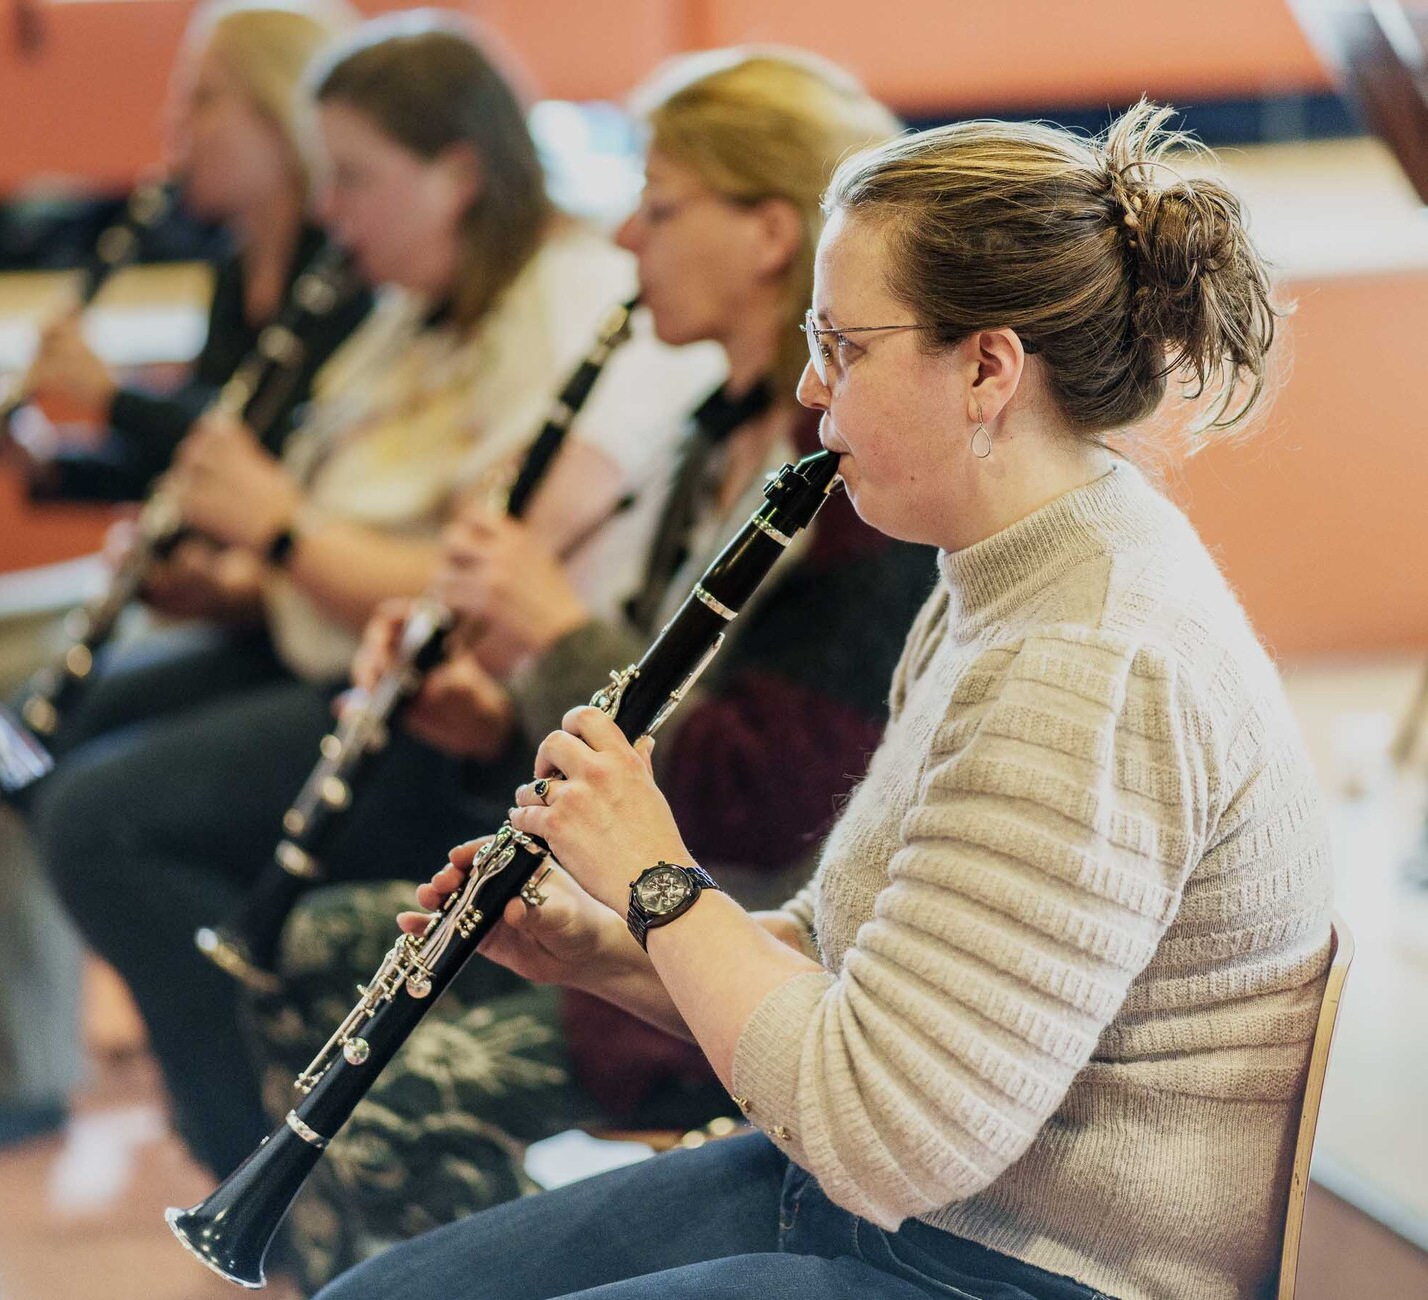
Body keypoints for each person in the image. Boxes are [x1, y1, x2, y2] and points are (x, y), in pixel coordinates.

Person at [317, 102, 1335, 1300]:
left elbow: (885, 1132)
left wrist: (654, 876)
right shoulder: (1002, 569)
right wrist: (602, 949)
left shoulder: (1090, 662)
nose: (808, 384)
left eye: (842, 345)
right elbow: (846, 970)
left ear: (986, 369)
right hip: (895, 1205)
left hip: (1013, 1266)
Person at [239, 49, 938, 1294]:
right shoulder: (710, 436)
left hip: (742, 937)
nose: (624, 235)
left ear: (769, 233)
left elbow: (760, 804)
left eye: (659, 207)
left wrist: (549, 625)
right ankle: (306, 1256)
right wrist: (488, 707)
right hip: (647, 901)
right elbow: (642, 709)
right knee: (314, 942)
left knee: (414, 1110)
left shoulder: (855, 499)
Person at [36, 13, 721, 1181]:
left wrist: (280, 532)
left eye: (352, 177)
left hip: (473, 722)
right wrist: (250, 570)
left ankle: (253, 1155)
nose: (332, 210)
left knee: (104, 821)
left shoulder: (571, 311)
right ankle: (256, 1136)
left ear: (458, 173)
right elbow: (351, 513)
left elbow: (468, 572)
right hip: (356, 667)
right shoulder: (412, 307)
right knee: (83, 745)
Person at [0, 0, 366, 1148]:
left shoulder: (350, 280)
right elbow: (183, 454)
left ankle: (16, 1054)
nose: (172, 127)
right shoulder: (239, 267)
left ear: (276, 118)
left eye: (199, 101)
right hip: (186, 573)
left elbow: (258, 454)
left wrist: (113, 396)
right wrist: (57, 461)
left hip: (271, 608)